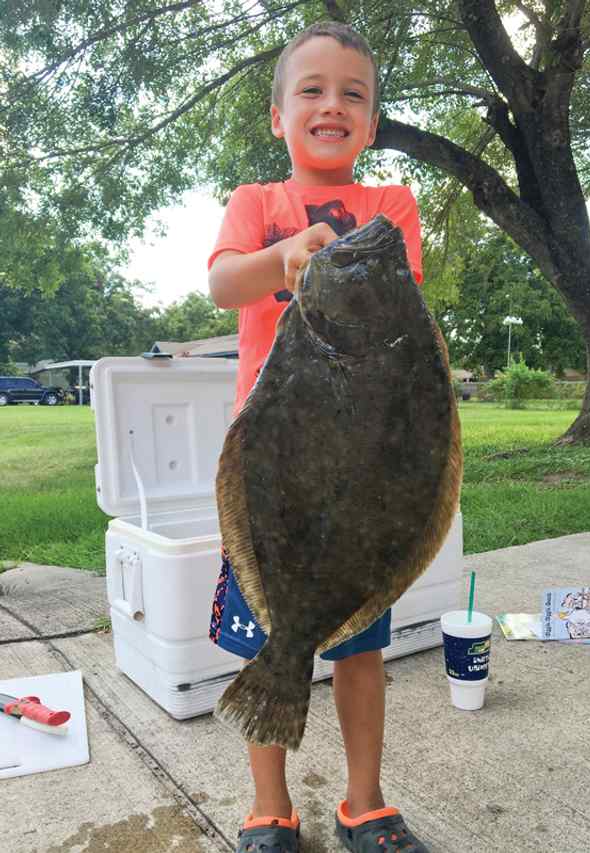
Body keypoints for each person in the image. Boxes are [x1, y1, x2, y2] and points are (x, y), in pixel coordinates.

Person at [207, 21, 430, 853]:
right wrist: (283, 258)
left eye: (354, 94)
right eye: (312, 89)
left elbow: (396, 309)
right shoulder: (257, 203)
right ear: (277, 116)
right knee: (269, 647)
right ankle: (271, 809)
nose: (332, 105)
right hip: (273, 486)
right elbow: (225, 280)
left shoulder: (389, 207)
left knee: (361, 651)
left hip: (360, 481)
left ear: (370, 124)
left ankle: (362, 803)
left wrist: (333, 266)